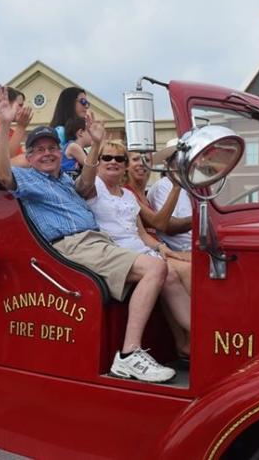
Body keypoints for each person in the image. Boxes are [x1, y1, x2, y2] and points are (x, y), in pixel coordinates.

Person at [0, 84, 179, 383]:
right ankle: (129, 354)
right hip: (72, 246)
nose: (47, 154)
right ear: (29, 156)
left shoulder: (65, 180)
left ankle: (184, 346)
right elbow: (1, 174)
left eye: (51, 148)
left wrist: (95, 145)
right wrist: (4, 124)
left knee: (168, 272)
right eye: (38, 150)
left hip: (97, 242)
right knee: (156, 266)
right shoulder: (27, 179)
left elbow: (85, 185)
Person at [86, 139, 192, 358]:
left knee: (172, 272)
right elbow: (83, 173)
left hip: (140, 250)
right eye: (107, 158)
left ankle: (197, 336)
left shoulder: (128, 196)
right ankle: (197, 338)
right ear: (98, 162)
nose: (113, 162)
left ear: (124, 165)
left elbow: (142, 234)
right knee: (172, 271)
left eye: (119, 159)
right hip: (113, 252)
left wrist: (163, 248)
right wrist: (94, 144)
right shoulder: (93, 186)